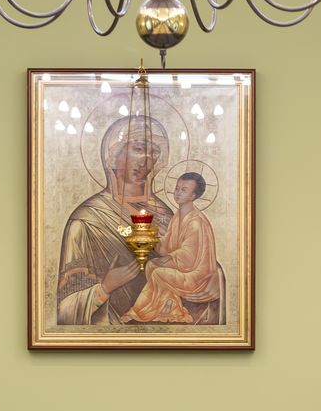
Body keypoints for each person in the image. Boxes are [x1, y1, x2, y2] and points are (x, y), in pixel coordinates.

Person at [56, 116, 174, 326]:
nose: (145, 161)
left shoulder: (165, 214)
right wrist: (105, 288)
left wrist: (210, 279)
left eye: (154, 152)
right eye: (138, 149)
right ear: (112, 155)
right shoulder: (87, 220)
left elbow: (190, 266)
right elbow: (64, 310)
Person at [125, 172, 223, 324]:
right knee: (151, 265)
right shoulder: (178, 216)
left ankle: (140, 312)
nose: (177, 192)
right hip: (184, 268)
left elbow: (189, 257)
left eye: (183, 190)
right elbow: (168, 245)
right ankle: (167, 306)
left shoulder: (195, 222)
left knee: (159, 273)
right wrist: (152, 237)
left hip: (197, 276)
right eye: (177, 188)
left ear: (193, 196)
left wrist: (169, 258)